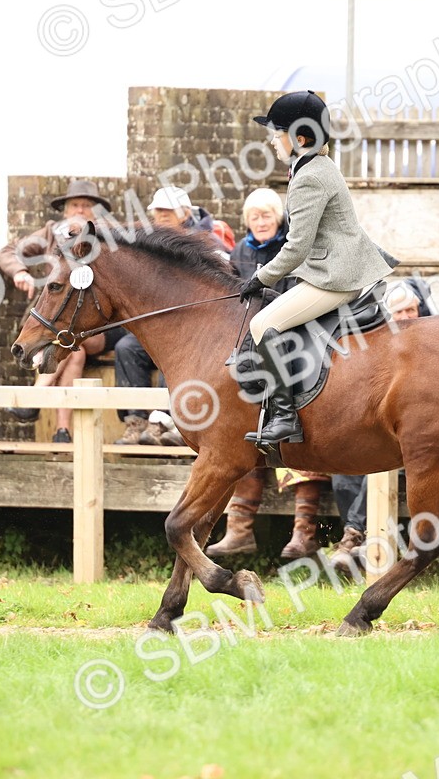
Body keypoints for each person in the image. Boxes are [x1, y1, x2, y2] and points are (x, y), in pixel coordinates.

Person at [238, 90, 398, 446]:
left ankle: (284, 417)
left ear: (300, 138)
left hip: (336, 277)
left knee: (263, 323)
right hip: (332, 268)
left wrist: (260, 276)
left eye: (276, 133)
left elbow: (296, 248)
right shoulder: (314, 167)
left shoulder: (309, 177)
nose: (272, 140)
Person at [207, 187, 330, 557]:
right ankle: (239, 528)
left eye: (266, 216)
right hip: (252, 336)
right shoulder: (241, 251)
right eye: (254, 216)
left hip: (291, 331)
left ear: (277, 218)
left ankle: (304, 533)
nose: (260, 222)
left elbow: (297, 292)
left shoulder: (291, 244)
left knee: (299, 434)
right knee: (242, 431)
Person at [0, 179, 118, 443]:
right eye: (75, 204)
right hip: (55, 321)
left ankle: (33, 399)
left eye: (87, 206)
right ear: (65, 209)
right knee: (73, 351)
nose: (80, 210)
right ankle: (62, 431)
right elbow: (8, 251)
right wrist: (20, 272)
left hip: (93, 323)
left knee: (72, 342)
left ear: (96, 211)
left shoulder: (106, 235)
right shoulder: (52, 232)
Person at [326, 280, 431, 577]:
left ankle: (352, 539)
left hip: (416, 440)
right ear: (388, 314)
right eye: (400, 312)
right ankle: (355, 540)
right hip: (376, 431)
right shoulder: (375, 342)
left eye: (411, 309)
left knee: (387, 467)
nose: (407, 316)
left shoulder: (431, 341)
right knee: (344, 468)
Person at [113, 185, 220, 446]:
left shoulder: (206, 241)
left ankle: (167, 423)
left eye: (167, 212)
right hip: (159, 323)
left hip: (196, 326)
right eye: (157, 212)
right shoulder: (150, 244)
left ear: (184, 213)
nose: (160, 216)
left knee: (170, 348)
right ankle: (135, 422)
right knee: (126, 347)